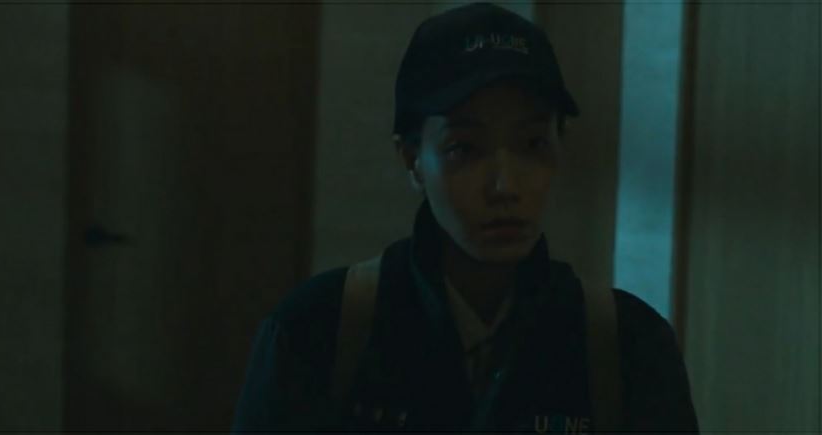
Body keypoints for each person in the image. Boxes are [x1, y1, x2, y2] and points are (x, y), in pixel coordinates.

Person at [231, 3, 699, 433]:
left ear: (561, 146)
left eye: (533, 144)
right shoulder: (318, 332)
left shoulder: (627, 346)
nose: (505, 186)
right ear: (412, 158)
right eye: (464, 149)